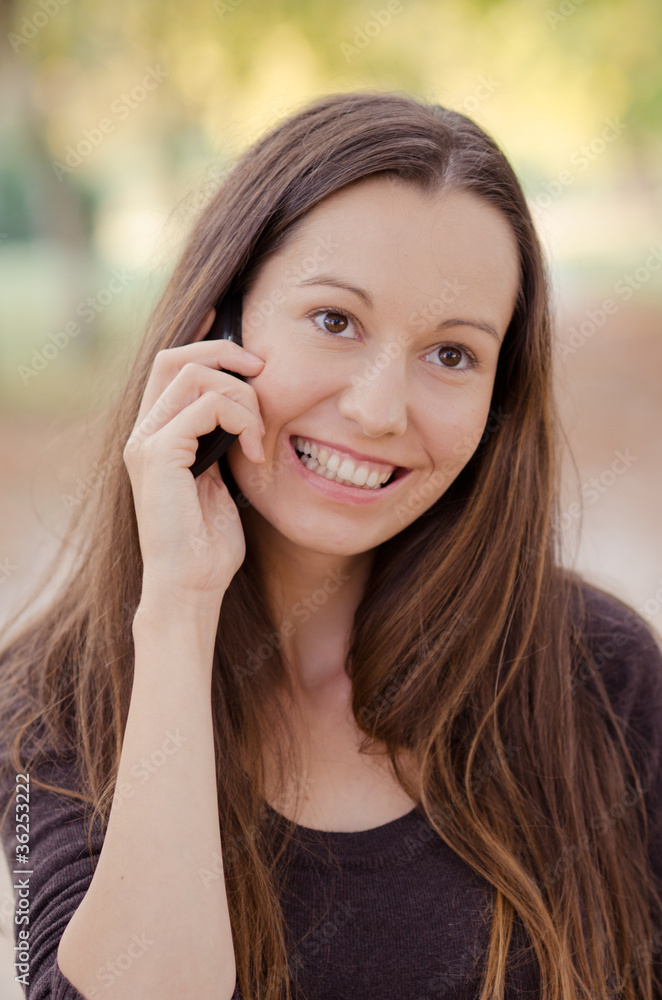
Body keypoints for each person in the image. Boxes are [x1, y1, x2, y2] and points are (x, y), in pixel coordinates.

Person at [0, 89, 661, 1000]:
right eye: (335, 322)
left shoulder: (601, 668)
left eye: (452, 354)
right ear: (217, 328)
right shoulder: (47, 704)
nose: (378, 411)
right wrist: (180, 612)